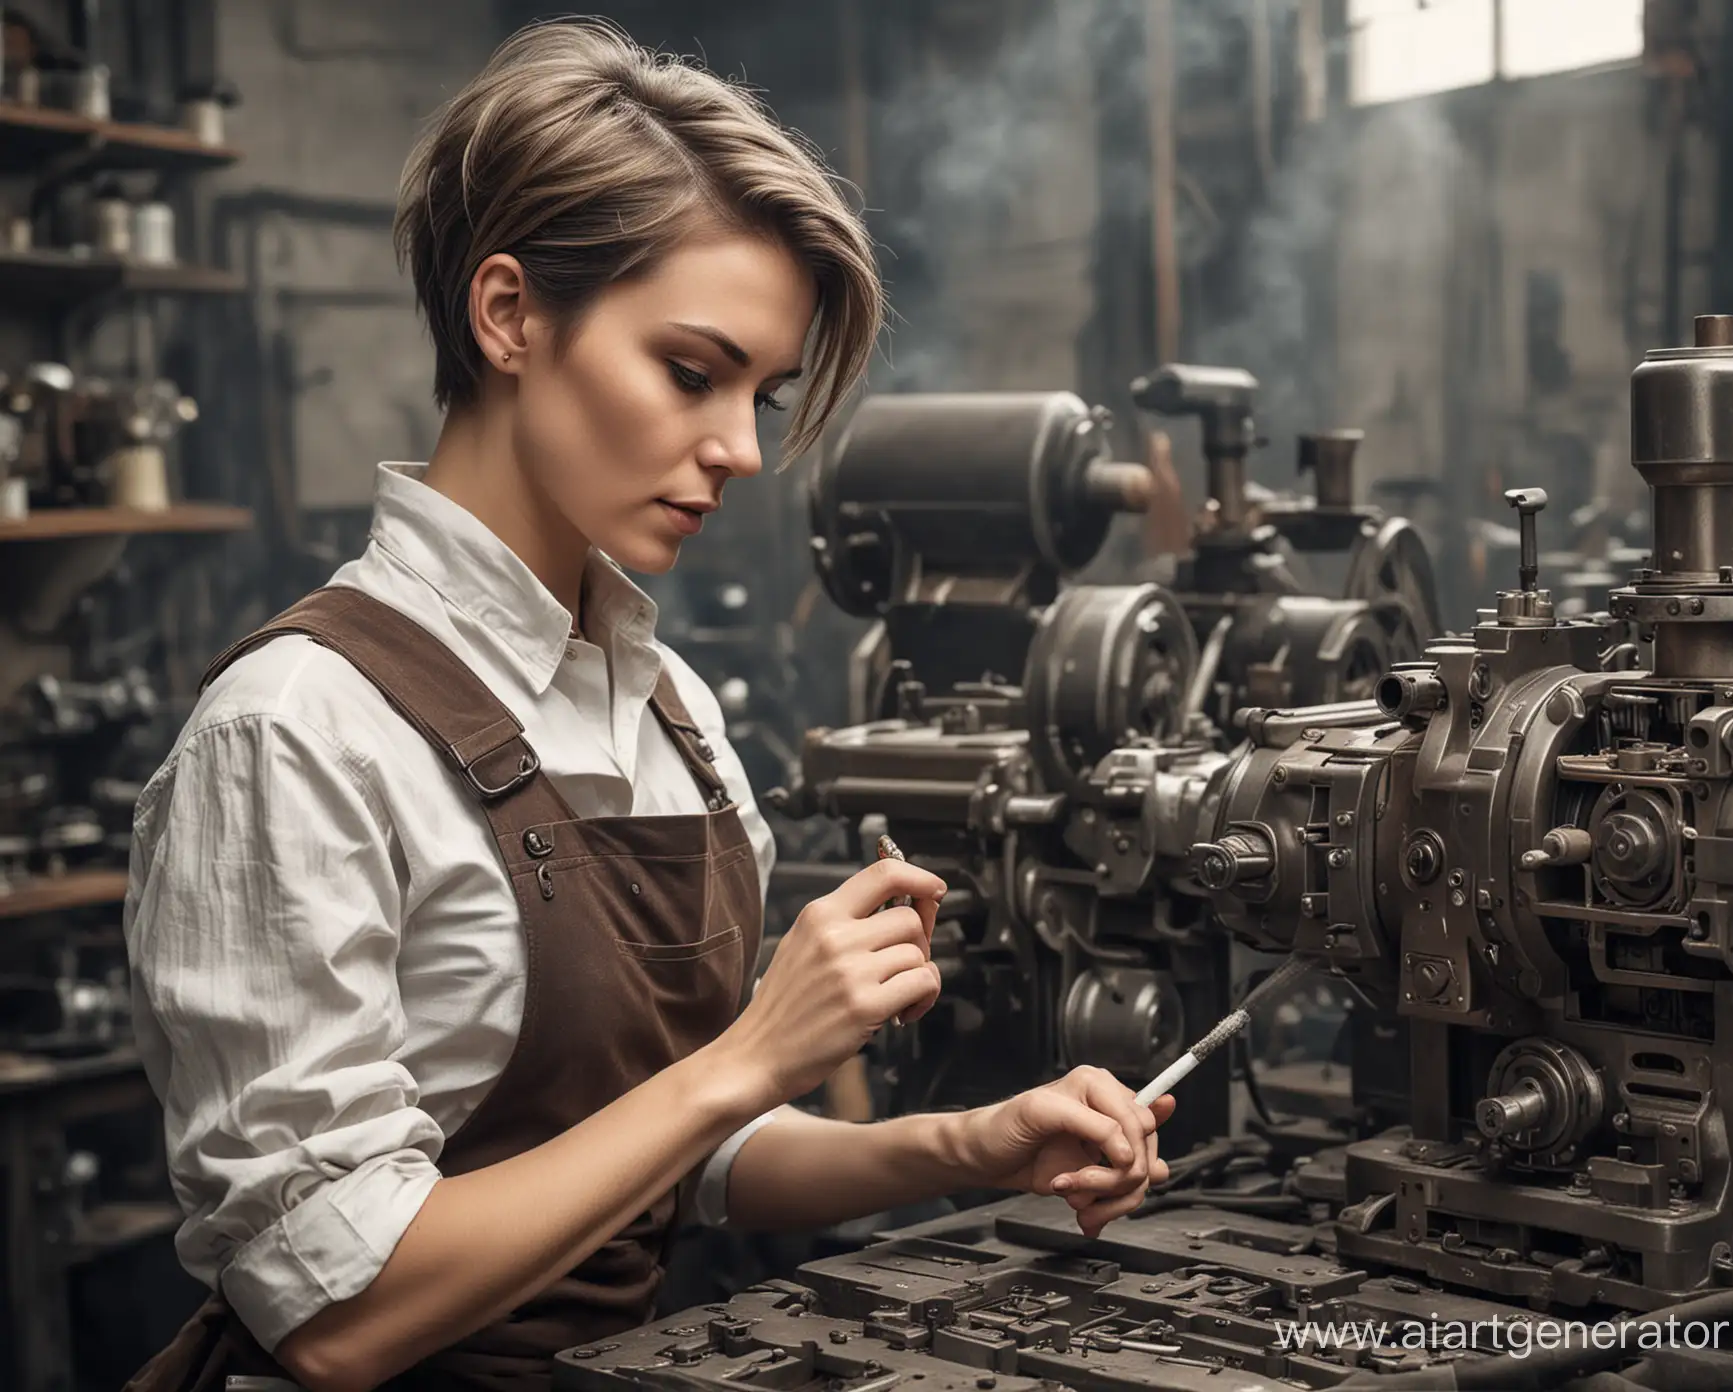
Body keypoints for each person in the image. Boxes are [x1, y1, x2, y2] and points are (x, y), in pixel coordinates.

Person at [124, 19, 1172, 1392]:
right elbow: (337, 1312)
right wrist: (751, 1053)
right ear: (509, 316)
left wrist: (964, 1148)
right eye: (692, 371)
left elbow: (678, 1154)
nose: (740, 448)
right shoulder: (299, 733)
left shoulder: (665, 703)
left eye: (763, 392)